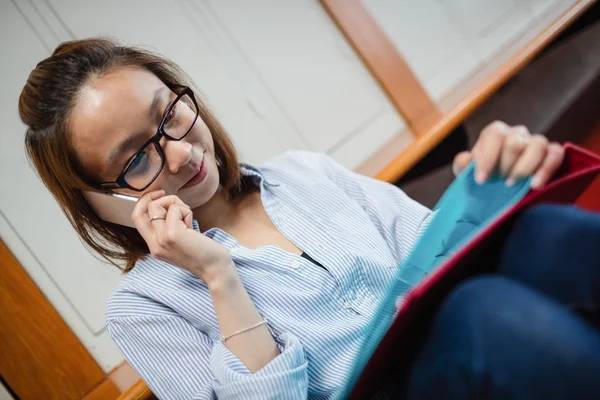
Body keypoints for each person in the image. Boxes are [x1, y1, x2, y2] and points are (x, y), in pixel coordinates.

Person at [18, 38, 598, 400]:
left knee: (542, 235)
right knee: (482, 314)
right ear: (100, 200)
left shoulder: (301, 172)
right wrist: (219, 278)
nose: (179, 151)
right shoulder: (143, 308)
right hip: (421, 365)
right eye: (137, 158)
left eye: (170, 111)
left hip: (452, 333)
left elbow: (437, 254)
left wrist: (491, 191)